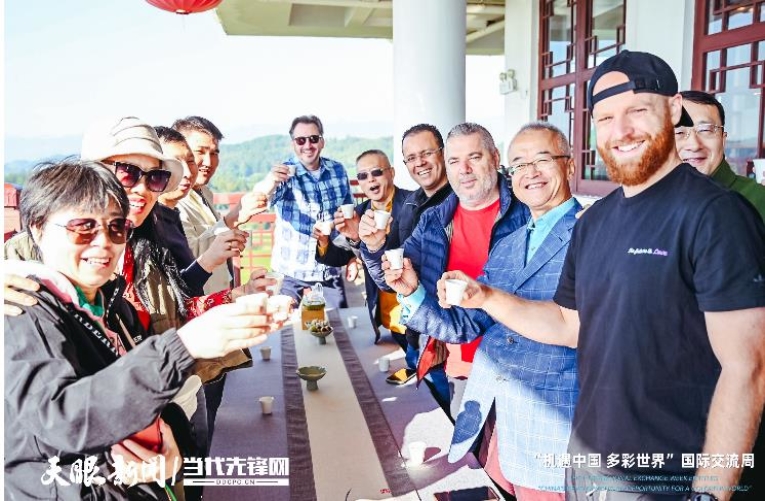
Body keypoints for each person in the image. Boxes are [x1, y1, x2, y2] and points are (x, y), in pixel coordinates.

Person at [439, 51, 765, 501]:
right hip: (587, 466)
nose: (621, 130)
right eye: (606, 117)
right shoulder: (594, 222)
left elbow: (747, 367)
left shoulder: (716, 214)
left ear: (673, 110)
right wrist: (485, 296)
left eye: (637, 110)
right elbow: (567, 323)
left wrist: (711, 492)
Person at [4, 160, 281, 500]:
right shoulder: (22, 308)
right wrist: (182, 346)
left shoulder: (111, 303)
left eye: (116, 227)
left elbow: (136, 398)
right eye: (83, 227)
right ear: (38, 228)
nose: (103, 242)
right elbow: (60, 420)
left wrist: (171, 443)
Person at [384, 122, 580, 500]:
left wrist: (486, 296)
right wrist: (411, 293)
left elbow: (577, 328)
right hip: (496, 416)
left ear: (569, 166)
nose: (530, 172)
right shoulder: (509, 245)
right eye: (520, 164)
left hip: (556, 425)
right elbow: (465, 325)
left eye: (542, 160)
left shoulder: (594, 232)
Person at [370, 122, 529, 418]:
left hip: (517, 370)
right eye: (455, 161)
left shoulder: (526, 214)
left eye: (474, 157)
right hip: (458, 367)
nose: (464, 169)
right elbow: (391, 279)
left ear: (495, 157)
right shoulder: (434, 219)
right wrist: (372, 246)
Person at [359, 123, 453, 386]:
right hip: (417, 332)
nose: (419, 163)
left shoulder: (462, 199)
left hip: (453, 338)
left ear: (443, 153)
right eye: (411, 158)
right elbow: (389, 280)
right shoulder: (411, 205)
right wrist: (374, 247)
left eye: (427, 153)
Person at [254, 114, 354, 309]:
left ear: (322, 142)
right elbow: (259, 197)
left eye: (313, 139)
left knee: (336, 325)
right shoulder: (284, 174)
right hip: (290, 273)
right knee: (283, 324)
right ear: (293, 144)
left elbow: (348, 220)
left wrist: (351, 257)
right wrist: (271, 180)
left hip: (328, 271)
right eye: (301, 140)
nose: (308, 145)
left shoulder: (338, 170)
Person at [313, 149, 413, 344]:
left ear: (392, 173)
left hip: (416, 317)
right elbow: (340, 254)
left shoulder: (415, 205)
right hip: (386, 318)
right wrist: (324, 241)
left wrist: (362, 240)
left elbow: (406, 258)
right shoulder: (359, 212)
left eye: (376, 172)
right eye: (363, 176)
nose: (370, 179)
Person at [172, 116, 266, 295]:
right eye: (200, 152)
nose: (208, 162)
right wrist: (232, 219)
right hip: (198, 303)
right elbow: (187, 256)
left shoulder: (204, 192)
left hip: (220, 296)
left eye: (214, 153)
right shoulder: (172, 201)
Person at [155, 125, 244, 296]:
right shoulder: (149, 221)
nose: (187, 172)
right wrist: (232, 219)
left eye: (190, 161)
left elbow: (184, 289)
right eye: (200, 152)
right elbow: (170, 296)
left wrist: (239, 293)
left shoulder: (175, 212)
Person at [676, 90, 765, 221]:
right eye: (679, 132)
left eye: (705, 130)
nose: (694, 145)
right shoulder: (652, 197)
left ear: (723, 139)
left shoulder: (757, 199)